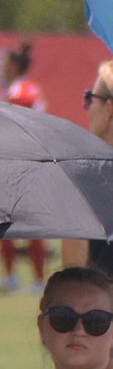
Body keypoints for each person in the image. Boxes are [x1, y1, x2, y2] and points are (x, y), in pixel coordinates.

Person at [0, 42, 47, 294]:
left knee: (11, 221)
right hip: (28, 162)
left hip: (19, 162)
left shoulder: (18, 93)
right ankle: (25, 278)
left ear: (14, 65)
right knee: (18, 222)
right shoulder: (29, 89)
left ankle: (29, 279)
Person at [63, 61, 113, 273]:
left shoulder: (87, 177)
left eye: (89, 99)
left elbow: (74, 273)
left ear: (109, 108)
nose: (87, 109)